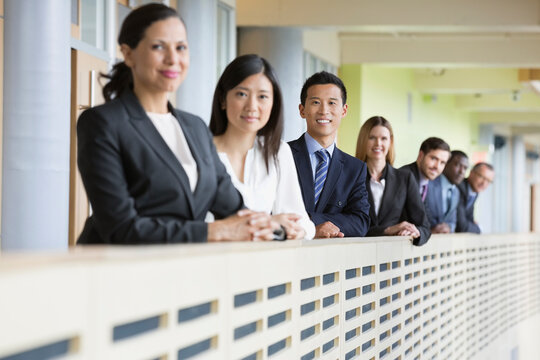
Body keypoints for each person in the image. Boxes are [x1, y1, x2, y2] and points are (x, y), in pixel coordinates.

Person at [76, 4, 275, 244]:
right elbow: (120, 227)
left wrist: (279, 229)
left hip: (181, 272)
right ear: (128, 54)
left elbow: (235, 211)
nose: (173, 59)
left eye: (181, 47)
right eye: (159, 47)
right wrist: (213, 232)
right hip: (118, 272)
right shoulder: (103, 123)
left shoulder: (196, 128)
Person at [209, 54, 315, 239]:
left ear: (273, 104)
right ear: (223, 100)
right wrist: (270, 222)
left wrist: (297, 229)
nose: (252, 106)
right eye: (242, 94)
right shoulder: (201, 150)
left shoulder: (278, 152)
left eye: (262, 97)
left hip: (262, 263)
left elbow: (302, 222)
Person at [288, 71, 370, 238]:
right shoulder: (283, 155)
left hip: (334, 261)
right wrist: (313, 228)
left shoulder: (355, 169)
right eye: (316, 102)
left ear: (344, 110)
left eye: (332, 103)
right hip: (286, 255)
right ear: (302, 110)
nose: (324, 111)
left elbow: (360, 222)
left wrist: (311, 222)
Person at [355, 116, 430, 246]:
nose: (378, 143)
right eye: (372, 137)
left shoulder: (405, 178)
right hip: (358, 255)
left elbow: (424, 227)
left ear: (390, 142)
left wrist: (414, 231)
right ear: (363, 140)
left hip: (393, 256)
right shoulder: (352, 178)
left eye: (384, 138)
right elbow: (350, 226)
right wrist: (388, 230)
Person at [426, 150, 468, 233]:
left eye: (465, 168)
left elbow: (452, 221)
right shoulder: (428, 183)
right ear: (445, 164)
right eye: (458, 165)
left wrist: (449, 228)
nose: (461, 172)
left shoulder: (456, 192)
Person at [400, 137, 451, 203]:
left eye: (442, 162)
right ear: (421, 156)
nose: (437, 166)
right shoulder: (403, 177)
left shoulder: (432, 183)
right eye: (433, 159)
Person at [456, 162, 495, 233]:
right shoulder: (459, 188)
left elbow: (469, 219)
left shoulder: (474, 192)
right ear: (471, 173)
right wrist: (478, 228)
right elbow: (461, 226)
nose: (484, 183)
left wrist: (473, 225)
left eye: (488, 181)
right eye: (481, 177)